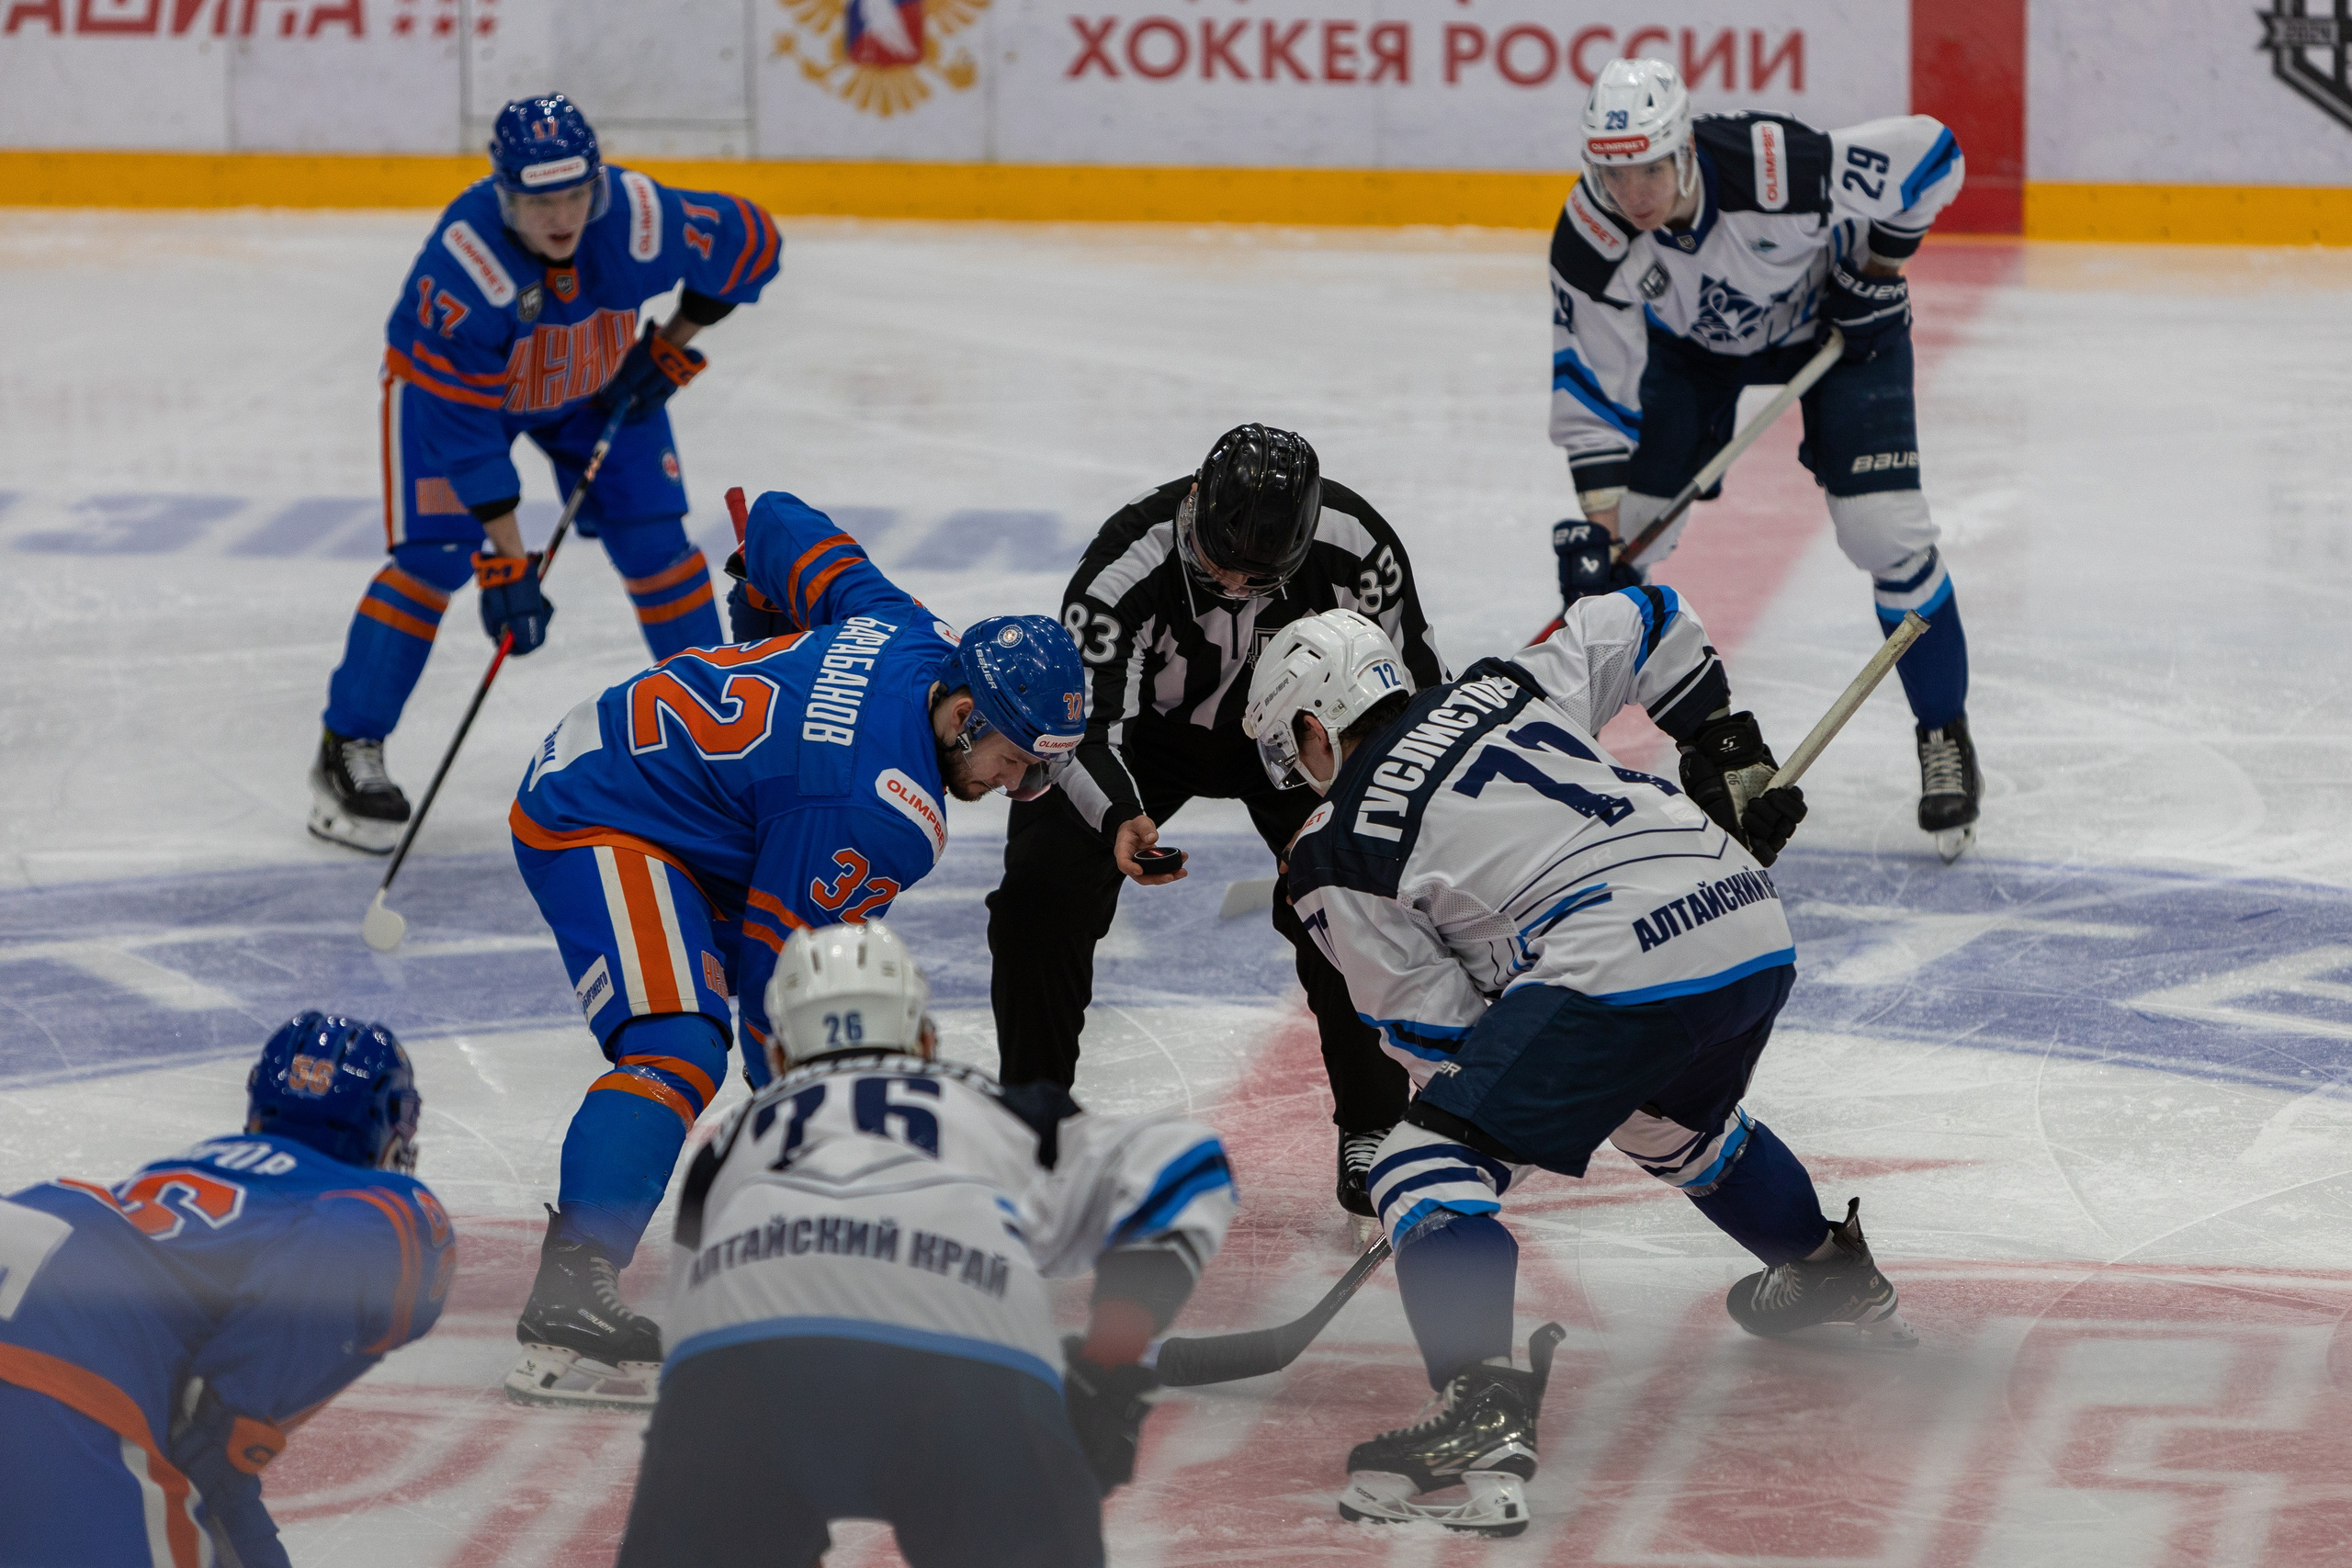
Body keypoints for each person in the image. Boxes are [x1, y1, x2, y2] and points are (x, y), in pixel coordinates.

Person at [1242, 596, 1910, 1535]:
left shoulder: (1335, 847)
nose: (1297, 778)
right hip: (1741, 912)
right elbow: (1640, 614)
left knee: (1418, 1164)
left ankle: (1479, 1416)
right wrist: (1719, 740)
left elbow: (1439, 1041)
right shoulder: (1501, 688)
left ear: (1315, 726)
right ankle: (1824, 1272)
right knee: (1667, 1122)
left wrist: (1490, 1123)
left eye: (1290, 752)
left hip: (1618, 957)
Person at [502, 491, 1088, 1408]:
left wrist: (765, 600)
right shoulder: (879, 808)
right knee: (679, 1044)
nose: (1019, 786)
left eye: (1042, 769)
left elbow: (774, 521)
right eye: (1016, 760)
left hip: (690, 803)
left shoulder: (913, 635)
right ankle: (570, 1283)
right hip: (600, 812)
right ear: (965, 714)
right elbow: (776, 1001)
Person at [616, 919, 1236, 1568]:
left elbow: (686, 1321)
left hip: (733, 1367)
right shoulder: (999, 1109)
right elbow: (1181, 1162)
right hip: (963, 1364)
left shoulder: (726, 1143)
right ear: (926, 1039)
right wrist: (1110, 1363)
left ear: (777, 1059)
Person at [989, 423, 1441, 1235]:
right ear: (1193, 503)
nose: (1233, 583)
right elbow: (1084, 726)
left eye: (1259, 575)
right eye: (1217, 560)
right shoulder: (1126, 567)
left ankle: (1374, 1123)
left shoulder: (1359, 548)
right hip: (1144, 741)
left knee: (1354, 891)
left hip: (1308, 734)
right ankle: (1034, 1116)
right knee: (1041, 889)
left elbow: (1409, 703)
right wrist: (1123, 812)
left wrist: (1383, 831)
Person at [310, 91, 784, 854]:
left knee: (657, 542)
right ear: (503, 196)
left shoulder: (636, 217)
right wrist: (508, 554)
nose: (562, 217)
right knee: (431, 561)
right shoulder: (465, 268)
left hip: (590, 383)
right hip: (457, 400)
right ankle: (347, 746)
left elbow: (750, 243)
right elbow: (464, 433)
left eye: (575, 194)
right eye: (540, 202)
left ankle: (716, 735)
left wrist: (670, 341)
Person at [1547, 58, 1981, 861]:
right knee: (1632, 542)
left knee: (1883, 533)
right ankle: (1569, 776)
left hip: (1838, 329)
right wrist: (1607, 537)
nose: (1633, 192)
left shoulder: (1774, 166)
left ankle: (1941, 729)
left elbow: (1932, 152)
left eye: (1648, 167)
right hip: (1694, 356)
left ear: (1682, 149)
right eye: (1614, 172)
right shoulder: (1593, 235)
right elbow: (1590, 383)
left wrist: (1878, 265)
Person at [0, 1013, 454, 1568]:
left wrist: (217, 1435)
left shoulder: (182, 1169)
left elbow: (213, 1485)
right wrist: (229, 1418)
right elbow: (354, 1240)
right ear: (391, 1121)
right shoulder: (379, 1201)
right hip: (62, 1351)